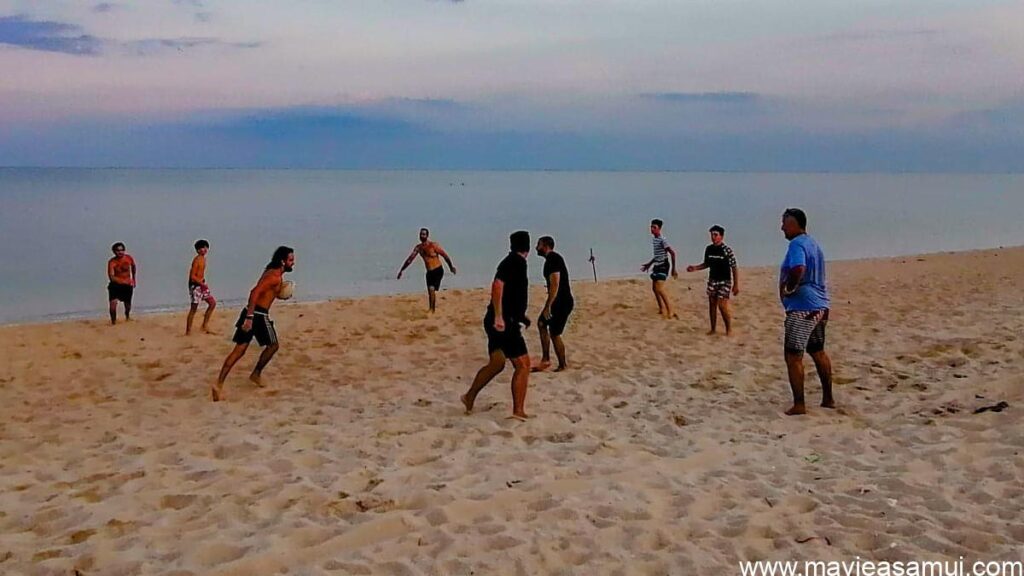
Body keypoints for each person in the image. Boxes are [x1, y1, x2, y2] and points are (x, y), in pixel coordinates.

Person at [461, 231, 532, 420]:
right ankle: (518, 411)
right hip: (503, 322)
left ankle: (469, 397)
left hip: (501, 319)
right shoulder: (514, 262)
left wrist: (521, 316)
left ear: (512, 245)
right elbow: (497, 285)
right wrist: (499, 316)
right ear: (529, 247)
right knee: (523, 365)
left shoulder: (513, 261)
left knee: (497, 363)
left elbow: (510, 293)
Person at [212, 246, 295, 401]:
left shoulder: (271, 273)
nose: (293, 263)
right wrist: (249, 318)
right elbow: (254, 293)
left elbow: (266, 293)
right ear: (283, 261)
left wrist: (279, 294)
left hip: (251, 312)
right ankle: (256, 373)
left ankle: (218, 384)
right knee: (273, 345)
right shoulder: (275, 276)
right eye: (291, 260)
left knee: (239, 351)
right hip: (258, 315)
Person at [778, 208, 834, 415]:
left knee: (793, 356)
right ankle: (828, 398)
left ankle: (799, 404)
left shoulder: (797, 244)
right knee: (817, 351)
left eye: (784, 223)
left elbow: (798, 268)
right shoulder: (813, 244)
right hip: (820, 305)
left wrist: (789, 289)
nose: (782, 227)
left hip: (803, 308)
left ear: (793, 224)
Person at [686, 225, 740, 335]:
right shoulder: (709, 249)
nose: (713, 237)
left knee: (722, 305)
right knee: (712, 304)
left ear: (721, 236)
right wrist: (695, 268)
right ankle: (713, 329)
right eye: (712, 235)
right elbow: (706, 263)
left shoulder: (727, 250)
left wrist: (736, 284)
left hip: (724, 281)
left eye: (715, 235)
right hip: (713, 280)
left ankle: (728, 329)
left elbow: (734, 267)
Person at [533, 236, 574, 372]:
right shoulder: (551, 260)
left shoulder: (553, 259)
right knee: (542, 324)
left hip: (562, 301)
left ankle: (562, 365)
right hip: (559, 301)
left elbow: (555, 283)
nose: (536, 248)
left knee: (554, 333)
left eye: (538, 245)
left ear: (545, 245)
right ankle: (546, 359)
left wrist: (548, 305)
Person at [397, 228, 457, 313]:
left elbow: (444, 255)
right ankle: (431, 309)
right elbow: (410, 259)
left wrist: (451, 267)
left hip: (438, 270)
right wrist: (402, 270)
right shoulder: (418, 248)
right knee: (430, 291)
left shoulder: (433, 245)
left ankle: (432, 310)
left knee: (432, 289)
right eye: (421, 234)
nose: (422, 236)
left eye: (424, 234)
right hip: (429, 272)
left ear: (427, 235)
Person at [640, 219, 678, 318]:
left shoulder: (662, 240)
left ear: (659, 229)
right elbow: (657, 255)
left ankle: (671, 310)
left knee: (660, 289)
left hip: (664, 265)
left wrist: (674, 269)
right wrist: (649, 264)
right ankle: (661, 308)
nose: (652, 229)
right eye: (651, 227)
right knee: (654, 288)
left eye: (654, 227)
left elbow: (672, 253)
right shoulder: (655, 240)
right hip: (657, 264)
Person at [186, 239, 217, 335]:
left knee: (212, 303)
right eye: (202, 248)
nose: (204, 249)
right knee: (194, 308)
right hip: (195, 286)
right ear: (198, 250)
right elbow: (192, 276)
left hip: (202, 284)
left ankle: (204, 325)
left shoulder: (204, 259)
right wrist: (201, 283)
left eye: (205, 247)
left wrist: (203, 283)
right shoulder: (197, 260)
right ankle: (188, 331)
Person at [106, 242, 137, 325]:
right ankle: (113, 322)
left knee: (128, 304)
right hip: (115, 285)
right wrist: (121, 281)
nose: (120, 252)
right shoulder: (112, 262)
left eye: (122, 250)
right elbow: (111, 276)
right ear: (114, 252)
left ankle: (127, 316)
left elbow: (133, 267)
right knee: (113, 304)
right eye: (118, 250)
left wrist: (133, 279)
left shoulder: (129, 258)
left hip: (127, 285)